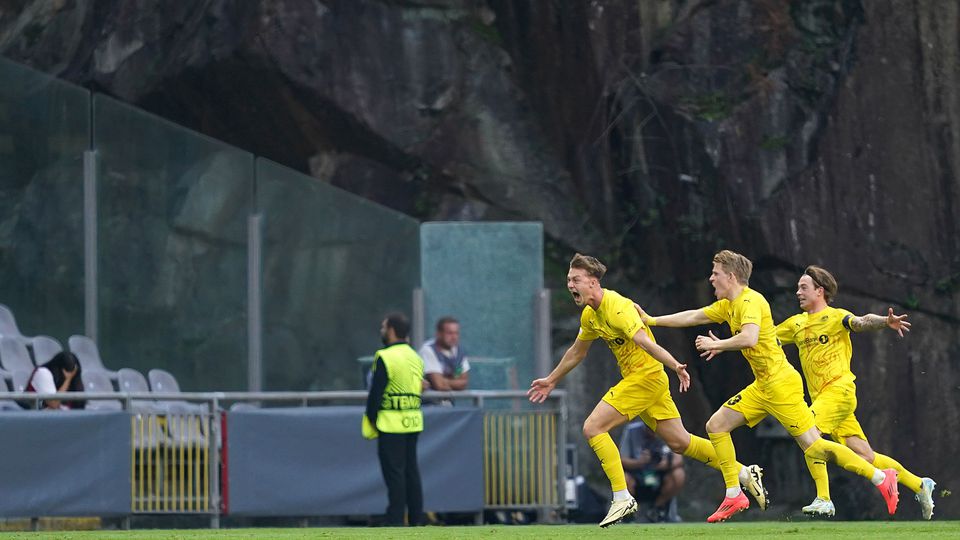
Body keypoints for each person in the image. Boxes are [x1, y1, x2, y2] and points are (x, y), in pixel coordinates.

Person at [637, 250, 900, 523]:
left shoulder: (751, 301)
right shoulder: (728, 305)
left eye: (715, 273)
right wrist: (652, 320)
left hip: (781, 385)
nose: (711, 278)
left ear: (731, 276)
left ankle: (881, 476)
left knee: (814, 445)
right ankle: (733, 493)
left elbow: (749, 338)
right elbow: (694, 317)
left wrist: (717, 344)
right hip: (763, 386)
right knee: (716, 426)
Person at [527, 253, 767, 529]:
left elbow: (644, 341)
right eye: (569, 279)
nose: (570, 284)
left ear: (593, 282)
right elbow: (576, 352)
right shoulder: (590, 315)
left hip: (646, 378)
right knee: (681, 442)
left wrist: (675, 364)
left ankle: (621, 497)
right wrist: (552, 379)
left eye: (576, 280)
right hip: (648, 381)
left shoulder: (618, 307)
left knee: (593, 428)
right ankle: (744, 473)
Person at [776, 265, 936, 519]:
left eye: (803, 287)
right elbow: (761, 340)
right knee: (866, 456)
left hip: (839, 391)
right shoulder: (795, 323)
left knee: (807, 434)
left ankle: (824, 499)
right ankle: (919, 484)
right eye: (797, 288)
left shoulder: (836, 316)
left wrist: (885, 321)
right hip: (825, 400)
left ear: (820, 291)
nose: (798, 292)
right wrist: (725, 342)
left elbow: (861, 322)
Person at [362, 313, 425, 526]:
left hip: (390, 423)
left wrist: (371, 417)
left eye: (383, 327)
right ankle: (416, 519)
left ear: (391, 330)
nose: (381, 331)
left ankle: (396, 520)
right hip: (413, 420)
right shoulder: (415, 357)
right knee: (412, 473)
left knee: (394, 475)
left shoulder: (385, 356)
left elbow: (376, 392)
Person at [620, 421, 684, 522]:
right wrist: (639, 462)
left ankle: (657, 509)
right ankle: (629, 512)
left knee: (678, 474)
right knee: (623, 478)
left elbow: (678, 460)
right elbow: (621, 459)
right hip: (637, 474)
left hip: (661, 475)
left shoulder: (670, 429)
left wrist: (666, 464)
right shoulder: (632, 430)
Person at [419, 316, 469, 391]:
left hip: (448, 401)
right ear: (439, 334)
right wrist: (454, 382)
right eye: (450, 333)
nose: (454, 337)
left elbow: (464, 383)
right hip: (428, 401)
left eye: (456, 333)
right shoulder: (428, 349)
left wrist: (445, 381)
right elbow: (439, 385)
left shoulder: (459, 351)